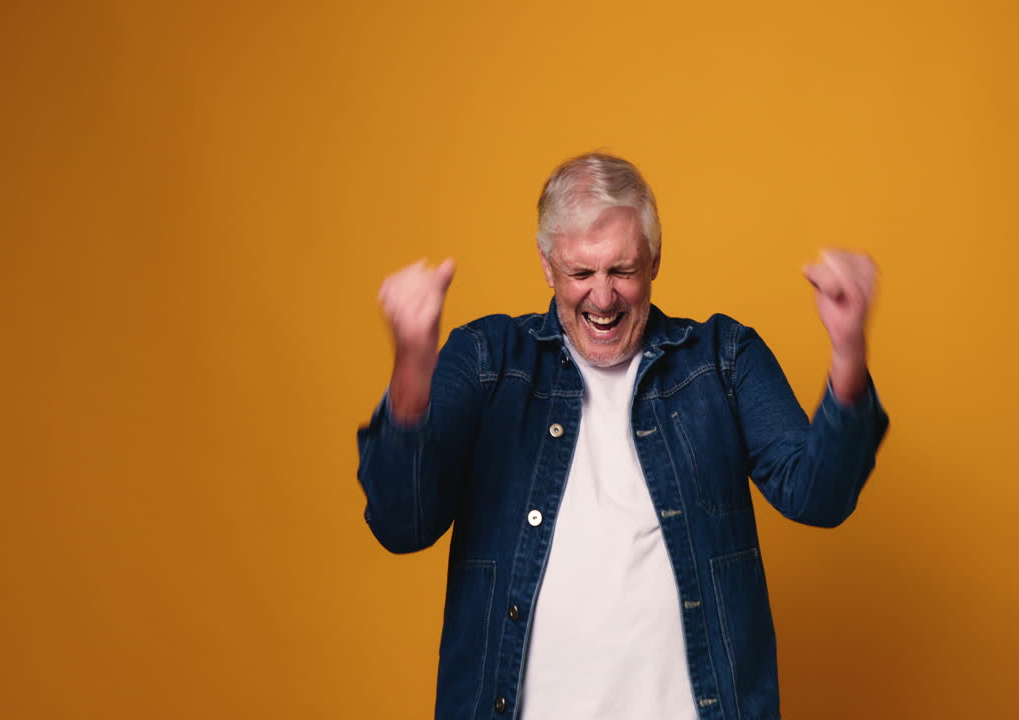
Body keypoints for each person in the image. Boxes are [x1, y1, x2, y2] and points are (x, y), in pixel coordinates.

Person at [356, 152, 888, 720]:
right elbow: (402, 524)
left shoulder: (722, 360)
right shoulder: (488, 360)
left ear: (655, 259)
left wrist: (848, 355)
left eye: (622, 271)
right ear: (546, 265)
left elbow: (818, 497)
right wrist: (412, 367)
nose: (603, 298)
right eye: (581, 273)